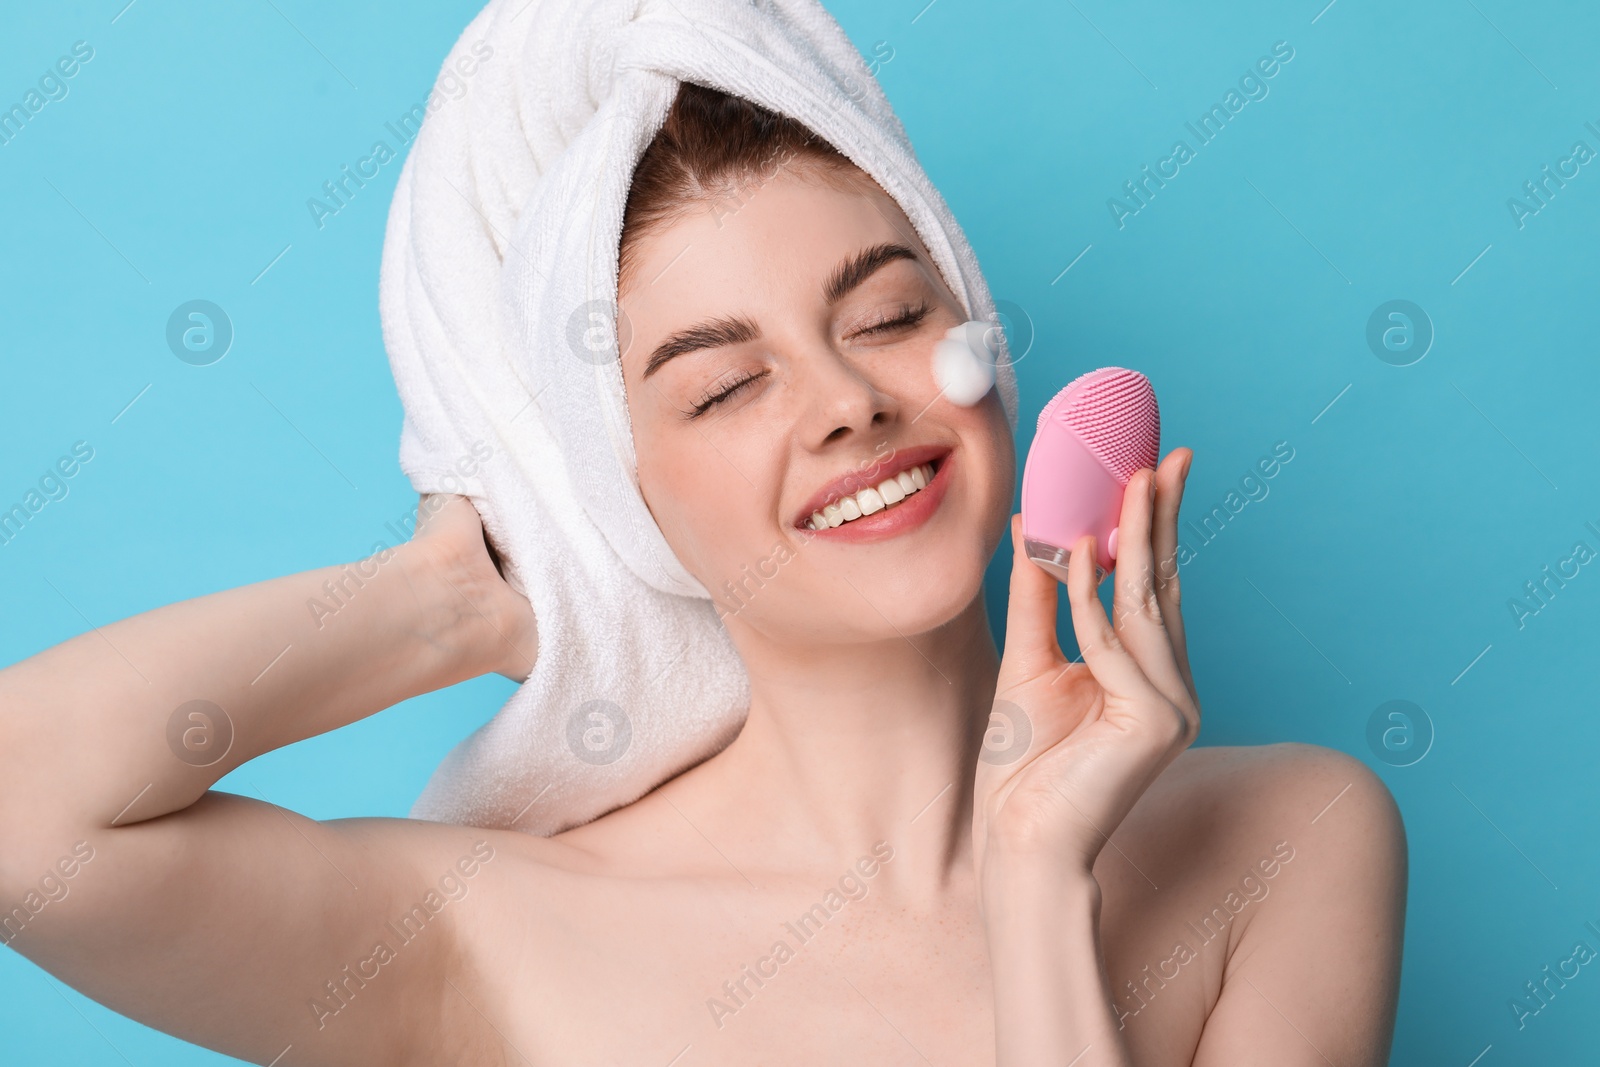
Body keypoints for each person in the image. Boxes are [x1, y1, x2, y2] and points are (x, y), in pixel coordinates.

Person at [0, 81, 1405, 1066]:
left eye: (892, 314)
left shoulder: (1287, 841)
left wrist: (1038, 880)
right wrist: (458, 597)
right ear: (621, 497)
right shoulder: (500, 934)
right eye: (727, 387)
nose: (848, 402)